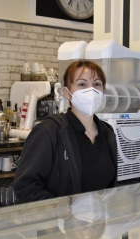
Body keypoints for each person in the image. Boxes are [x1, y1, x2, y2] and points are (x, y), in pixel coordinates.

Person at [14, 60, 118, 203]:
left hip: (97, 223)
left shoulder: (107, 133)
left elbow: (110, 187)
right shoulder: (49, 131)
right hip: (61, 223)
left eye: (97, 84)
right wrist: (63, 210)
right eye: (82, 84)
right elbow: (25, 187)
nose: (91, 90)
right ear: (66, 92)